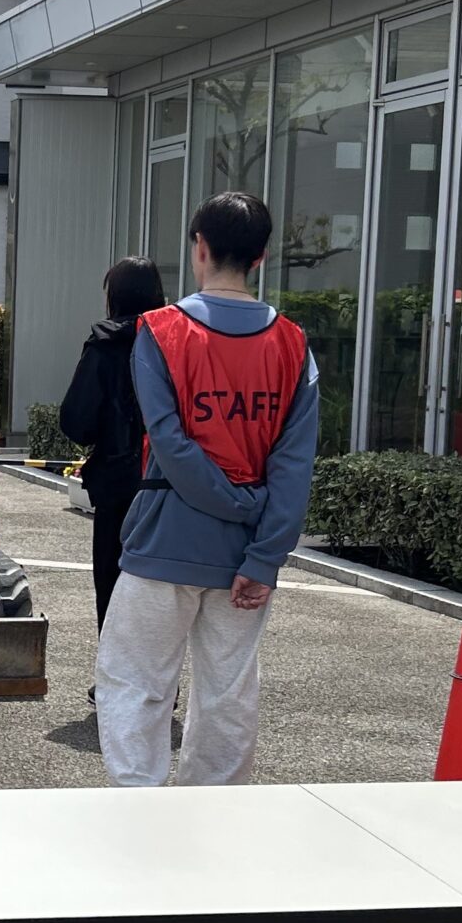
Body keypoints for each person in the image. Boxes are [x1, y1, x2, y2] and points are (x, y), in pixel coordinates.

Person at [94, 193, 318, 786]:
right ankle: (215, 812)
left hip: (165, 537)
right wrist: (266, 551)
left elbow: (170, 443)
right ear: (261, 257)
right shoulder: (293, 344)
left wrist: (229, 502)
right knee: (229, 693)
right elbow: (294, 463)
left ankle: (139, 804)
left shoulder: (160, 331)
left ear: (199, 247)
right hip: (246, 554)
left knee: (135, 682)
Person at [56, 256, 167, 630]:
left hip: (118, 486)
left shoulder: (105, 345)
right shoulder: (176, 343)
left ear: (114, 296)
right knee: (162, 596)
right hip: (171, 485)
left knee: (114, 589)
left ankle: (117, 666)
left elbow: (76, 422)